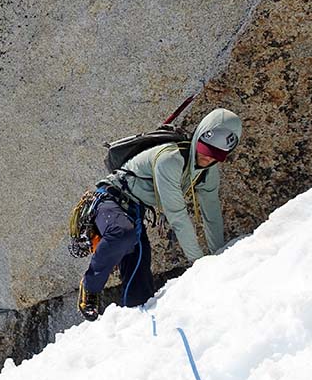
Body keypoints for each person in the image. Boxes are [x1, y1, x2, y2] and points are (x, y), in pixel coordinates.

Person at [78, 108, 243, 320]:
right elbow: (177, 215)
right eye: (204, 150)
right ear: (198, 138)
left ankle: (135, 328)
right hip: (109, 200)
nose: (206, 158)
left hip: (134, 212)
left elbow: (211, 213)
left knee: (140, 285)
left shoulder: (207, 172)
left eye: (215, 156)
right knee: (122, 233)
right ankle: (91, 286)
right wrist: (201, 264)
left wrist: (219, 254)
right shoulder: (170, 159)